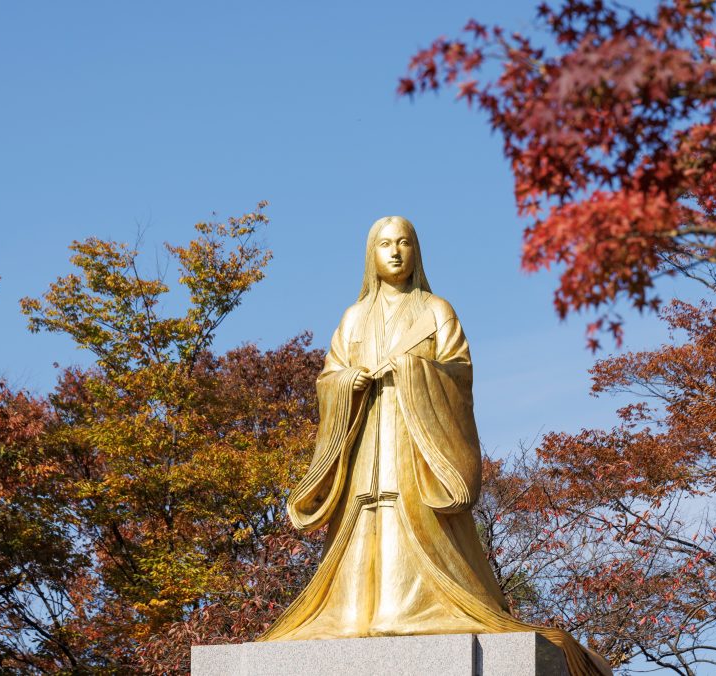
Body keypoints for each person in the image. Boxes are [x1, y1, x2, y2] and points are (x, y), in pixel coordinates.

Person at [258, 216, 609, 676]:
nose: (395, 252)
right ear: (372, 254)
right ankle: (356, 610)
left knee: (407, 510)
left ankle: (407, 608)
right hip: (365, 436)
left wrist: (410, 371)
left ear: (416, 250)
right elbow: (330, 376)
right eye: (385, 244)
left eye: (404, 243)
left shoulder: (436, 310)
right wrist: (349, 383)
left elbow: (459, 374)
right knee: (367, 510)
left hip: (417, 444)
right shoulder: (354, 317)